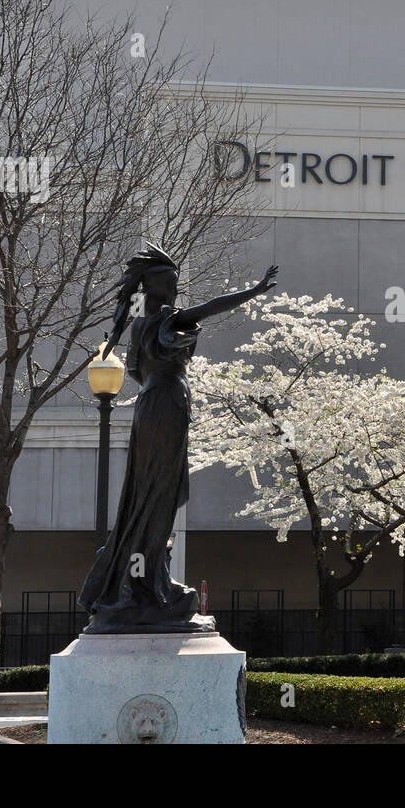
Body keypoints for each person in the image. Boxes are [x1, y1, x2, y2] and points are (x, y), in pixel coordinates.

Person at [79, 243, 278, 633]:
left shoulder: (141, 325)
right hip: (166, 403)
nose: (175, 289)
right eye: (170, 283)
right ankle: (144, 585)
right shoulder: (164, 318)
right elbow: (210, 308)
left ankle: (146, 578)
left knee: (151, 495)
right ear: (157, 288)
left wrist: (160, 378)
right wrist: (253, 292)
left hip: (154, 402)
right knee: (158, 495)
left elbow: (136, 369)